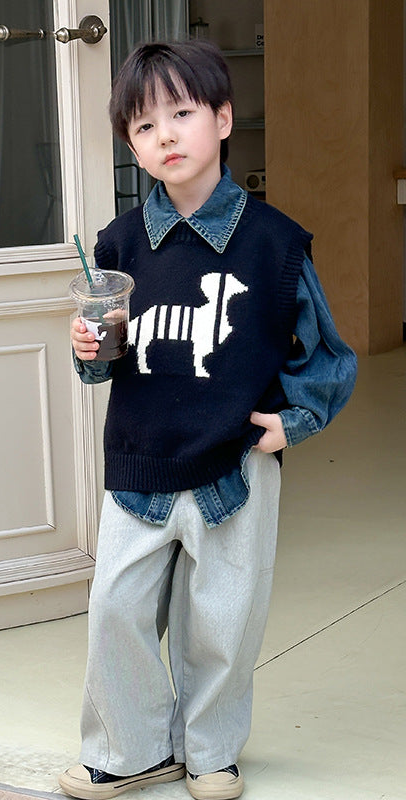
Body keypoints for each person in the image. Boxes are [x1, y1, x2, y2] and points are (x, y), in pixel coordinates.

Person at [59, 40, 357, 800]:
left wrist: (294, 422)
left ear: (223, 119)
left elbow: (327, 351)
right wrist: (89, 348)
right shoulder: (118, 247)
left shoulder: (274, 243)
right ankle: (130, 749)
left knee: (223, 620)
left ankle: (211, 750)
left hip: (236, 463)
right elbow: (107, 360)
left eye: (182, 114)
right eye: (143, 125)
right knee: (116, 611)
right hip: (140, 462)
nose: (164, 136)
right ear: (129, 145)